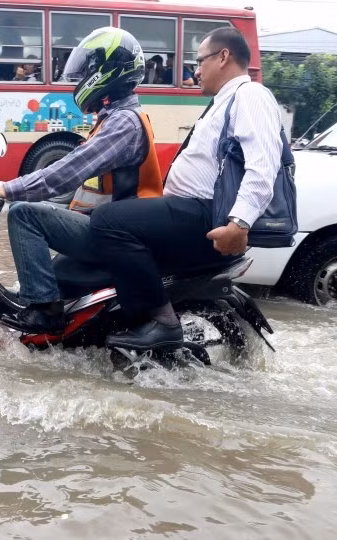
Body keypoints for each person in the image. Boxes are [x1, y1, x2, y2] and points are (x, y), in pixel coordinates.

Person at [88, 27, 284, 350]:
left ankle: (160, 322)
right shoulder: (225, 101)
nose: (196, 70)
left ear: (223, 57)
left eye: (200, 60)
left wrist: (239, 223)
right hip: (191, 211)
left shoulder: (251, 96)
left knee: (107, 220)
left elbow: (263, 164)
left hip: (203, 216)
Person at [0, 27, 163, 334]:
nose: (81, 79)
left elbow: (66, 172)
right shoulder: (114, 119)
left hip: (117, 233)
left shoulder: (123, 124)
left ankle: (44, 314)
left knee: (23, 214)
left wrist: (7, 189)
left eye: (89, 70)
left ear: (108, 72)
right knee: (47, 270)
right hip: (108, 225)